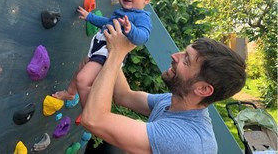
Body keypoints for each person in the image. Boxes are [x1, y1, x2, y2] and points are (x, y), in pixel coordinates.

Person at [81, 20, 246, 154]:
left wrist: (116, 55)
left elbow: (94, 120)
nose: (175, 56)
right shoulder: (173, 102)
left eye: (186, 60)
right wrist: (115, 50)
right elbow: (124, 95)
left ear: (203, 89)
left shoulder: (185, 139)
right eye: (184, 52)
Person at [52, 0, 154, 108]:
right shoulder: (122, 12)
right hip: (98, 48)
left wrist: (131, 29)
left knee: (83, 80)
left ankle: (90, 113)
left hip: (108, 53)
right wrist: (89, 17)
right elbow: (107, 22)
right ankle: (70, 92)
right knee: (80, 69)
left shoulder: (142, 17)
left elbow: (143, 37)